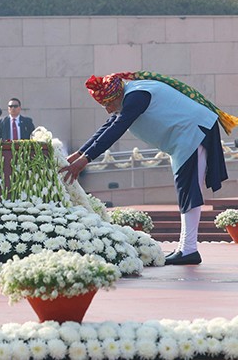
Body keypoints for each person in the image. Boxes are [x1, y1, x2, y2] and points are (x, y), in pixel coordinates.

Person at [60, 71, 236, 266]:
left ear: (117, 96)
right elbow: (107, 127)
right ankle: (186, 248)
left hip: (194, 131)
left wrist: (84, 161)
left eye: (108, 104)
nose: (108, 110)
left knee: (189, 190)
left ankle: (188, 249)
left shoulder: (136, 96)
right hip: (185, 136)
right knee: (186, 190)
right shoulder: (131, 94)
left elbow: (116, 129)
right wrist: (77, 155)